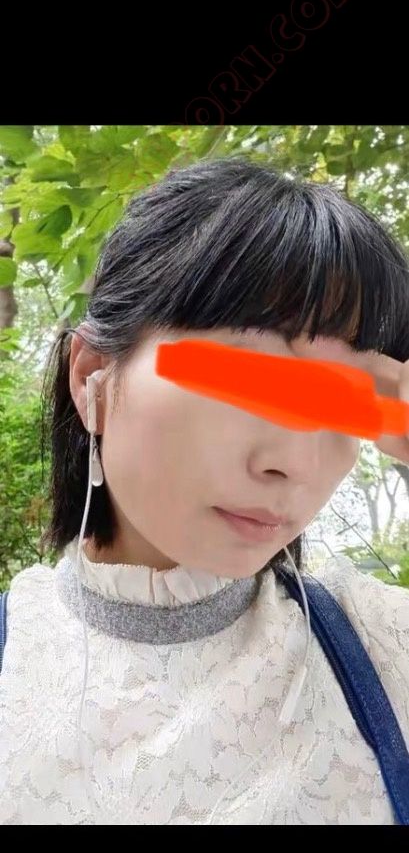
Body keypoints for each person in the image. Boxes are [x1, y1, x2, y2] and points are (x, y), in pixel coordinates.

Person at [0, 158, 408, 826]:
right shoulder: (14, 661)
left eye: (345, 405)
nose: (294, 463)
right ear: (92, 378)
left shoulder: (386, 647)